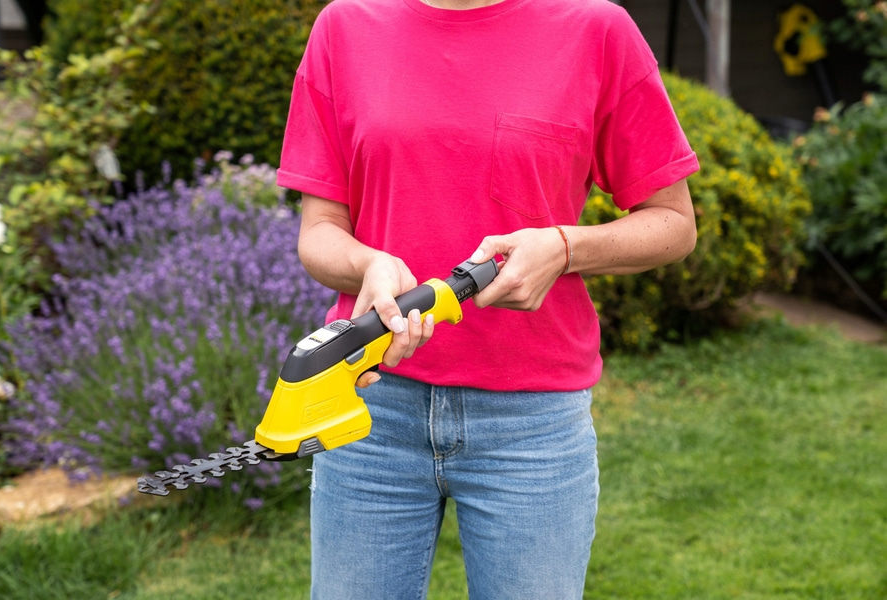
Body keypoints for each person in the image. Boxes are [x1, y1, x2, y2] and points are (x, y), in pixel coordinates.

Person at [276, 0, 699, 597]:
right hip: (370, 406)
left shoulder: (595, 29)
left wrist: (564, 246)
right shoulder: (345, 27)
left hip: (531, 426)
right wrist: (365, 263)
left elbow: (674, 223)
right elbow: (319, 230)